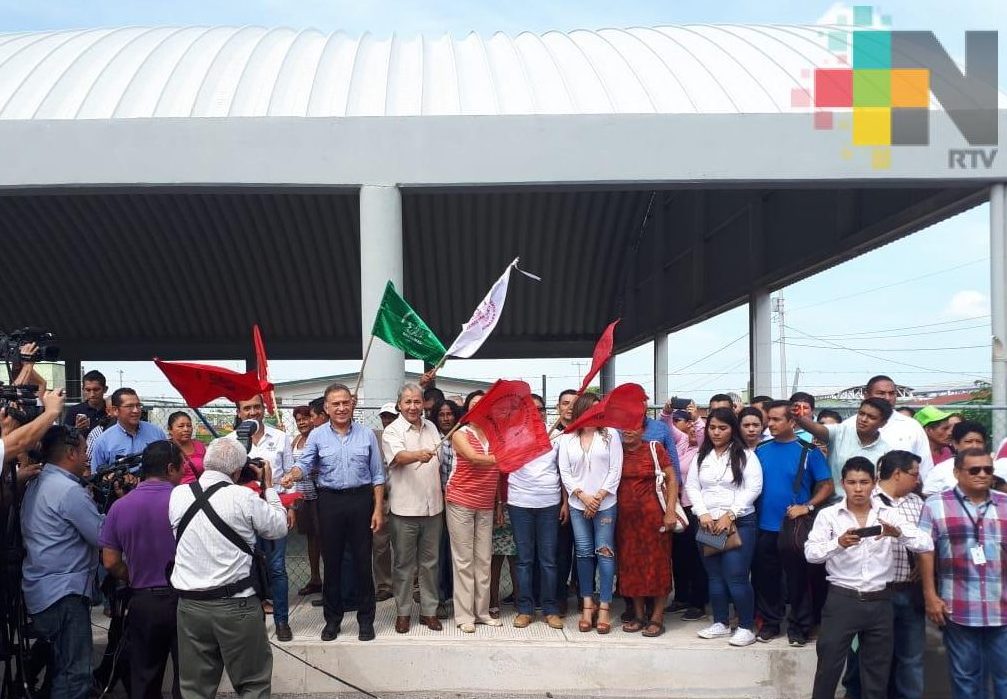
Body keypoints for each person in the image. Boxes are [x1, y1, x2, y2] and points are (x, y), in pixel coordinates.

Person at [805, 456, 933, 699]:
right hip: (842, 599)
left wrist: (898, 535)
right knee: (828, 669)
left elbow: (925, 542)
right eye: (852, 482)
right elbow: (811, 554)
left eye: (864, 482)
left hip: (880, 601)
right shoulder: (829, 515)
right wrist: (838, 543)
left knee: (876, 676)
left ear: (874, 483)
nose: (858, 488)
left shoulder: (888, 514)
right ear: (843, 483)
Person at [170, 437, 287, 698]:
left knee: (194, 689)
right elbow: (278, 527)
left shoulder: (178, 495)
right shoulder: (243, 497)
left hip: (190, 606)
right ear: (237, 470)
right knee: (252, 684)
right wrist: (268, 486)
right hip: (237, 606)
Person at [289, 382, 385, 641]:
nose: (342, 408)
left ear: (352, 404)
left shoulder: (366, 436)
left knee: (363, 562)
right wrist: (292, 475)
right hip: (329, 502)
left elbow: (377, 475)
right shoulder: (318, 436)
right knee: (331, 563)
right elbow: (305, 463)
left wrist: (378, 509)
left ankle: (366, 620)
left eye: (346, 403)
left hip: (360, 501)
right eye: (336, 404)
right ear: (327, 408)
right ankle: (333, 620)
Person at [21, 425, 102, 699]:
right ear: (70, 453)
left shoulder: (39, 481)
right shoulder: (69, 491)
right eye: (83, 451)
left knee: (61, 667)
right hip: (64, 592)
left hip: (44, 588)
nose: (86, 457)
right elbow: (101, 535)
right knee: (75, 675)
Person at [918, 448, 1007, 699]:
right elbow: (925, 552)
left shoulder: (1005, 504)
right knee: (965, 679)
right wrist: (930, 596)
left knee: (1005, 680)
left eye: (988, 470)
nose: (982, 474)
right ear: (957, 472)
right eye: (974, 470)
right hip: (958, 608)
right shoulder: (936, 504)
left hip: (1002, 608)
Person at [100, 440, 185, 699]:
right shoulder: (184, 502)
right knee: (189, 679)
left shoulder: (120, 507)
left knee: (144, 679)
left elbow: (111, 562)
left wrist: (133, 575)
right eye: (181, 466)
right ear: (170, 468)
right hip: (184, 599)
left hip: (143, 599)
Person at [842, 450, 927, 699]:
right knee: (864, 655)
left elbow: (926, 543)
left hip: (909, 593)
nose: (918, 480)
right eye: (914, 474)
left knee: (910, 657)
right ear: (898, 474)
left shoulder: (918, 503)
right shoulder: (867, 500)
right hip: (875, 593)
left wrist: (923, 566)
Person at [752, 400, 834, 646]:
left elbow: (827, 485)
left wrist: (807, 506)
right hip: (764, 526)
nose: (771, 424)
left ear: (792, 422)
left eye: (777, 419)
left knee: (798, 581)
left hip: (795, 529)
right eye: (770, 419)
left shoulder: (808, 451)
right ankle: (770, 623)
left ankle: (799, 626)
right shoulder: (760, 450)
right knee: (766, 579)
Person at [684, 407, 763, 647]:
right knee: (715, 575)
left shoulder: (745, 456)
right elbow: (693, 487)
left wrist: (731, 514)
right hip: (709, 523)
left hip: (739, 523)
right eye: (712, 428)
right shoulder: (702, 456)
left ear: (733, 429)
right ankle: (720, 622)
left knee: (736, 575)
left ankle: (746, 626)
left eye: (723, 428)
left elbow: (753, 488)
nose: (716, 432)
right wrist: (703, 512)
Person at [226, 394, 295, 641]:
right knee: (246, 570)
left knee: (277, 569)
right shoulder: (229, 442)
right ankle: (253, 626)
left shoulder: (280, 437)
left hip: (272, 510)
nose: (253, 412)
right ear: (239, 412)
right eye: (247, 407)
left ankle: (282, 621)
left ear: (264, 409)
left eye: (257, 406)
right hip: (241, 515)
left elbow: (288, 477)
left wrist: (290, 507)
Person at [381, 382, 444, 634]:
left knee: (430, 563)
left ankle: (429, 611)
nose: (413, 407)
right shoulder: (392, 431)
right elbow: (398, 458)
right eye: (407, 402)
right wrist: (418, 454)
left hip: (433, 508)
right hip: (404, 509)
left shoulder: (432, 427)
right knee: (404, 565)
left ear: (423, 404)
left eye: (417, 401)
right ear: (399, 405)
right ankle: (403, 612)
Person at [558, 393, 623, 635]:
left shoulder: (610, 435)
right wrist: (582, 496)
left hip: (605, 503)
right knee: (584, 554)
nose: (596, 413)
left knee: (604, 552)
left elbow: (616, 468)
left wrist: (598, 496)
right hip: (578, 503)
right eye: (592, 409)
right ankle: (587, 605)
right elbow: (565, 471)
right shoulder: (568, 439)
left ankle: (604, 606)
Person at [445, 390, 502, 633]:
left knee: (483, 559)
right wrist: (508, 454)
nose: (480, 408)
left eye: (484, 404)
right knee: (464, 560)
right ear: (468, 409)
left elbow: (498, 474)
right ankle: (464, 616)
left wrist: (499, 504)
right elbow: (474, 458)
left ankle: (482, 612)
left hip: (487, 503)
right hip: (461, 501)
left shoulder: (495, 435)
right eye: (475, 404)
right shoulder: (460, 433)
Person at [507, 393, 565, 630]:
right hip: (519, 502)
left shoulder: (558, 436)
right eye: (530, 409)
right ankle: (525, 609)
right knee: (524, 560)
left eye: (540, 409)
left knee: (549, 561)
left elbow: (565, 473)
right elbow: (503, 467)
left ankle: (550, 609)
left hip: (549, 503)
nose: (536, 413)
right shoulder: (511, 436)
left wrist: (564, 503)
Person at [616, 418, 678, 637]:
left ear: (643, 429)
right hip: (625, 521)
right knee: (631, 566)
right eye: (625, 426)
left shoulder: (655, 448)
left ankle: (657, 616)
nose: (628, 430)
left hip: (655, 518)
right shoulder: (616, 452)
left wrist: (670, 511)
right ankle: (639, 615)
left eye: (633, 426)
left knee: (658, 564)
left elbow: (672, 479)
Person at [665, 406, 709, 621]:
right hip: (680, 506)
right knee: (679, 556)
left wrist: (695, 417)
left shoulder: (705, 449)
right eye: (689, 425)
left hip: (698, 509)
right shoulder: (681, 444)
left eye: (695, 426)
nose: (692, 429)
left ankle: (698, 602)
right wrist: (665, 412)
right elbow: (667, 426)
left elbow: (701, 432)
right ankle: (681, 597)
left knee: (698, 557)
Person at [793, 397, 892, 486]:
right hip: (831, 503)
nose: (864, 419)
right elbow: (816, 428)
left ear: (883, 423)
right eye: (861, 414)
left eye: (871, 417)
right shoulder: (840, 432)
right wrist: (798, 416)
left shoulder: (886, 452)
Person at [849, 375, 933, 474]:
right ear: (866, 395)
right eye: (881, 393)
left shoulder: (911, 426)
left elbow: (925, 466)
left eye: (891, 393)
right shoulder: (849, 426)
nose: (887, 398)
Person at [434, 398, 463, 617]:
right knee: (441, 550)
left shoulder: (464, 437)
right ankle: (441, 596)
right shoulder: (434, 439)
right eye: (442, 415)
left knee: (461, 551)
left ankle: (461, 597)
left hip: (463, 501)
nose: (446, 418)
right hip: (440, 502)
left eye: (450, 414)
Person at [89, 387, 167, 469]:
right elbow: (97, 475)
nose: (136, 410)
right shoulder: (103, 442)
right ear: (115, 410)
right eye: (129, 406)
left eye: (138, 405)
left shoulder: (156, 433)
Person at [290, 405, 323, 596]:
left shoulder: (320, 439)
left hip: (319, 495)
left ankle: (331, 580)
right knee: (311, 538)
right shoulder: (295, 441)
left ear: (313, 419)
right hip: (302, 496)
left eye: (305, 418)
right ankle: (315, 579)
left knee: (325, 538)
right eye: (298, 420)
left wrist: (313, 470)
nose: (302, 422)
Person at [553, 388, 579, 616]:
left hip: (586, 503)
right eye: (565, 403)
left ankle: (582, 594)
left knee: (584, 551)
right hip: (558, 502)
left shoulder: (586, 433)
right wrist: (564, 502)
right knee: (560, 552)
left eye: (574, 403)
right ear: (558, 407)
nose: (569, 408)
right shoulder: (551, 434)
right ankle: (559, 598)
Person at [922, 420, 988, 496]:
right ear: (955, 444)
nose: (974, 446)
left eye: (979, 442)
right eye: (969, 441)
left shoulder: (993, 468)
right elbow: (929, 499)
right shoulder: (940, 471)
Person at [166, 411, 206, 484]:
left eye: (189, 425)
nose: (186, 429)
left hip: (199, 492)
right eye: (181, 426)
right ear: (170, 429)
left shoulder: (199, 446)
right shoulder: (165, 448)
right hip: (175, 492)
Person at [915, 406, 954, 472]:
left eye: (950, 428)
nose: (950, 432)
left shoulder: (947, 451)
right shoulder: (917, 456)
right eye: (945, 428)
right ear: (928, 430)